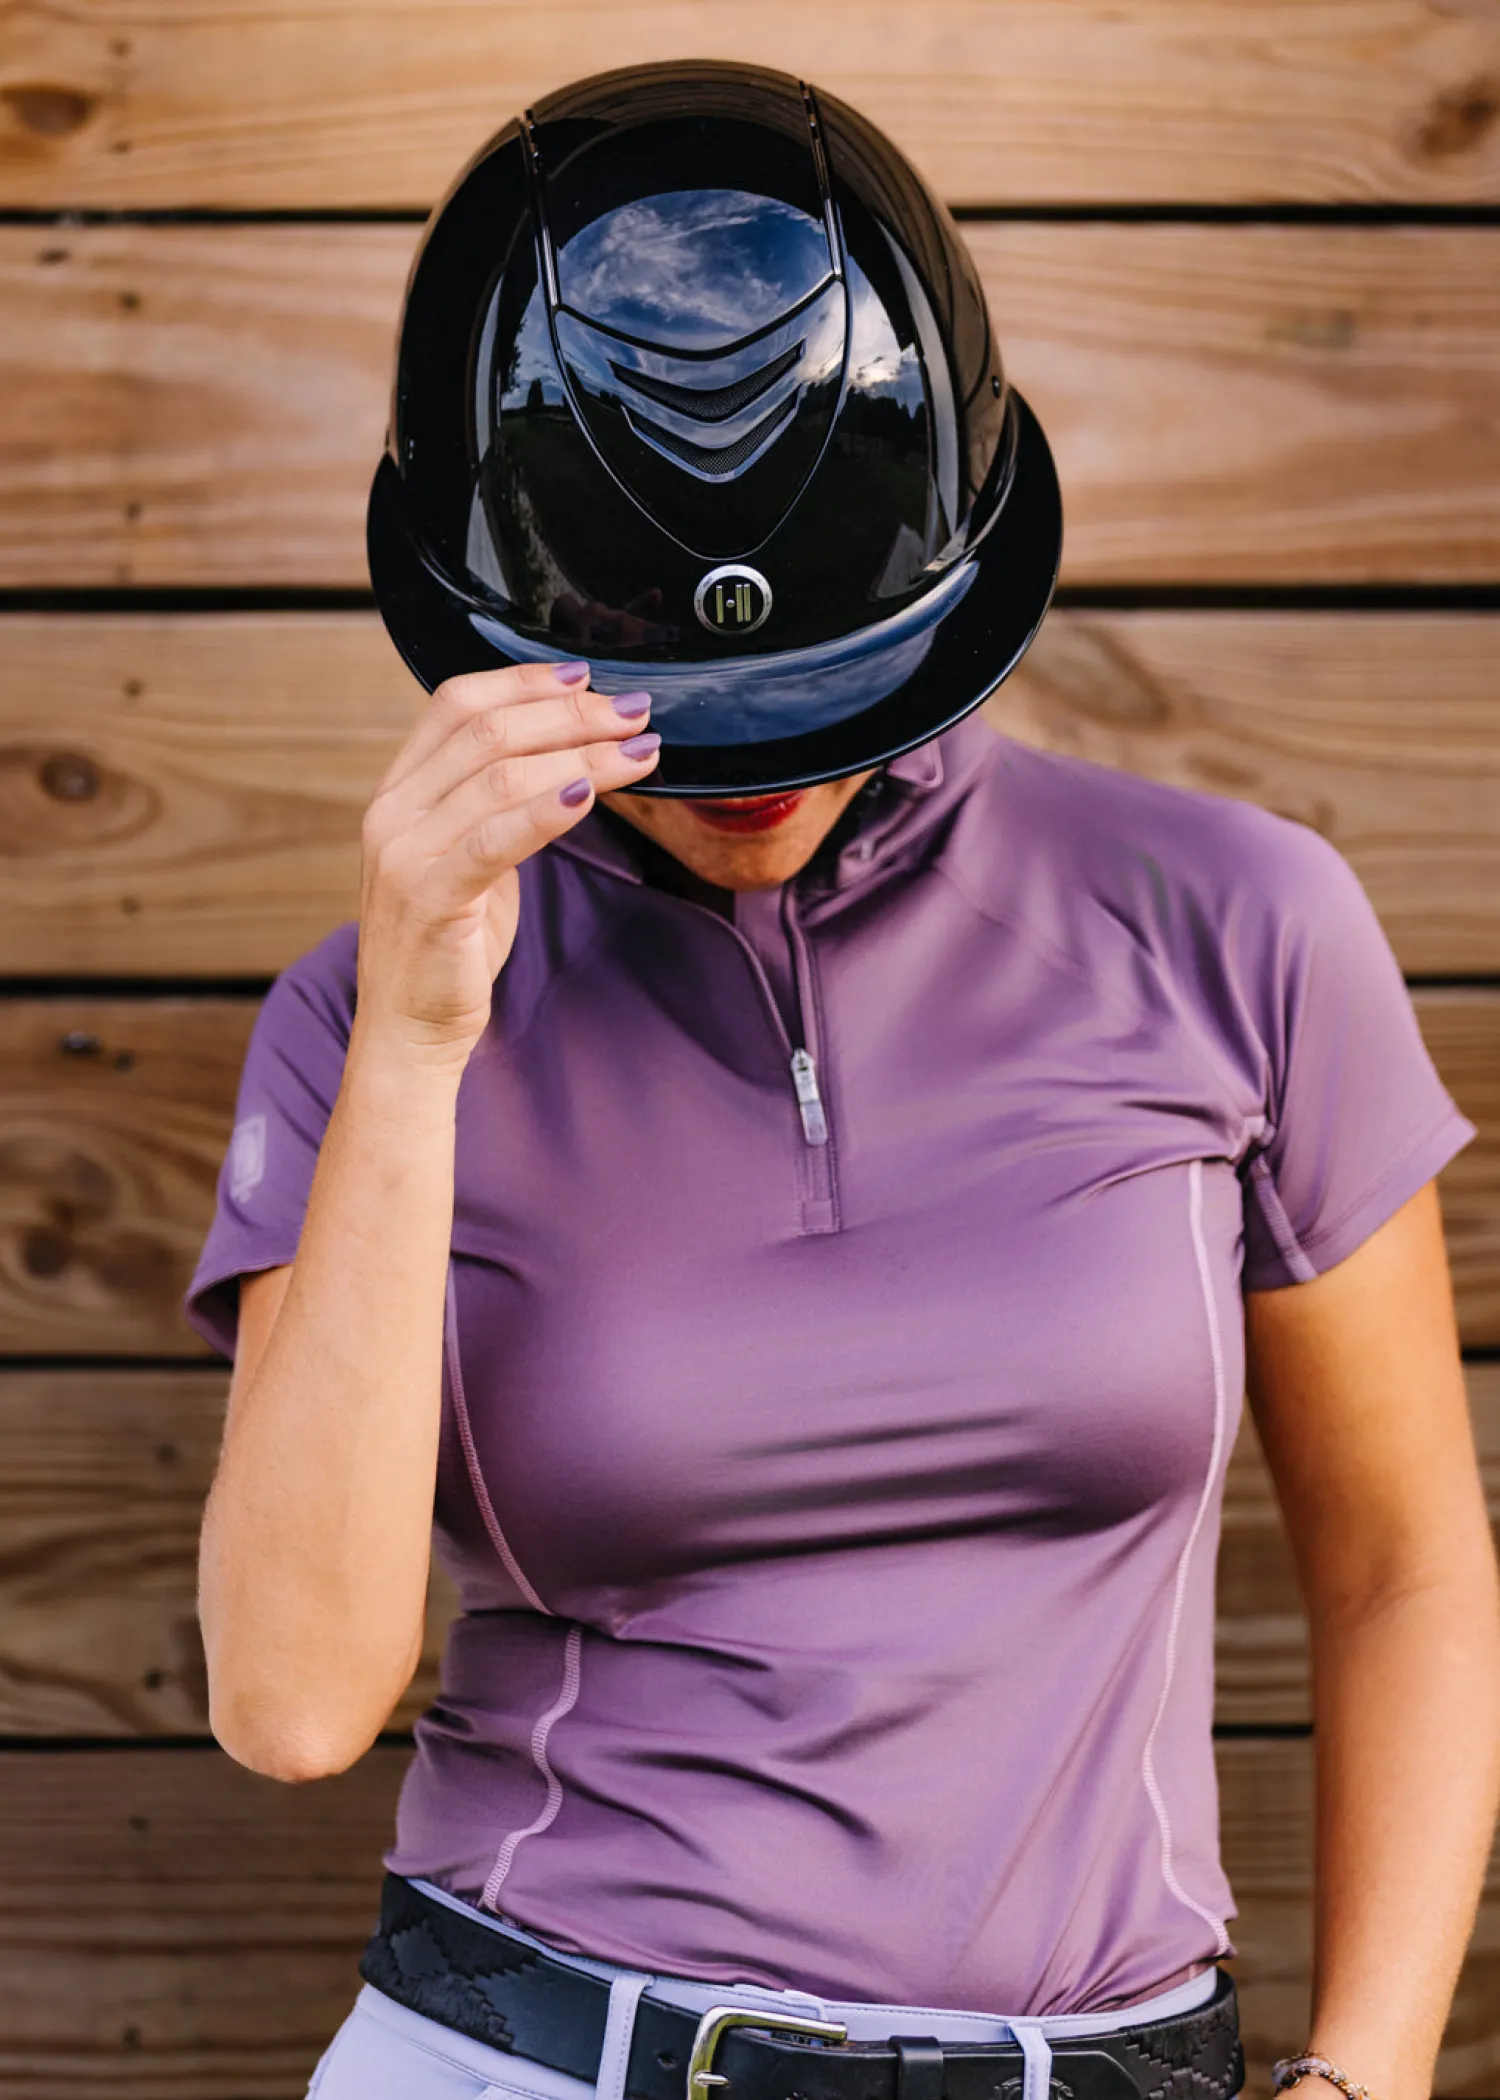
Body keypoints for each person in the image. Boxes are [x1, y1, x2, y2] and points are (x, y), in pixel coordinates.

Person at [184, 62, 1500, 2100]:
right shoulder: (367, 1023)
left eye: (823, 687)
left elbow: (1408, 1563)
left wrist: (1372, 2072)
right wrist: (426, 1040)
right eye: (676, 702)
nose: (760, 777)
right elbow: (290, 1704)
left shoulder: (1236, 923)